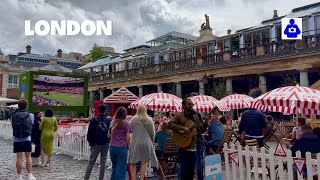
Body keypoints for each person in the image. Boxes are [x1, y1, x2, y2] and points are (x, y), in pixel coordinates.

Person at [168, 97, 207, 180]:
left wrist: (206, 123)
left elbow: (200, 130)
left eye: (192, 104)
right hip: (183, 147)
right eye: (189, 104)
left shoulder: (196, 116)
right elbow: (170, 124)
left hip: (194, 147)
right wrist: (183, 129)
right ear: (183, 105)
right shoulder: (179, 115)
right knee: (184, 172)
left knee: (191, 172)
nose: (191, 106)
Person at [128, 104, 157, 180]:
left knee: (133, 162)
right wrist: (152, 140)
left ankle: (133, 178)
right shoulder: (149, 119)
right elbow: (152, 133)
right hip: (146, 142)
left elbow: (129, 129)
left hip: (135, 142)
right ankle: (141, 179)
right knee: (143, 163)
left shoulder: (133, 119)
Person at [11, 99, 36, 180]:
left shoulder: (13, 115)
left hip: (17, 138)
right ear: (26, 105)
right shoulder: (31, 115)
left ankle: (19, 176)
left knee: (19, 158)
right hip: (27, 138)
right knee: (28, 157)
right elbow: (32, 125)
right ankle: (29, 175)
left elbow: (13, 125)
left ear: (18, 106)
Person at [84, 104, 111, 180]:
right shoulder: (108, 120)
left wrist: (91, 142)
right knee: (103, 163)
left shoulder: (94, 120)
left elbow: (90, 133)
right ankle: (101, 178)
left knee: (91, 162)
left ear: (98, 110)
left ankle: (86, 178)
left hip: (95, 144)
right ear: (105, 111)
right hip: (105, 143)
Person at [109, 107, 131, 180]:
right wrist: (129, 146)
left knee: (114, 167)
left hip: (112, 147)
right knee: (121, 169)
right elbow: (127, 136)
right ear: (124, 114)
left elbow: (109, 135)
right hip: (122, 147)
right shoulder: (126, 123)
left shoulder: (112, 122)